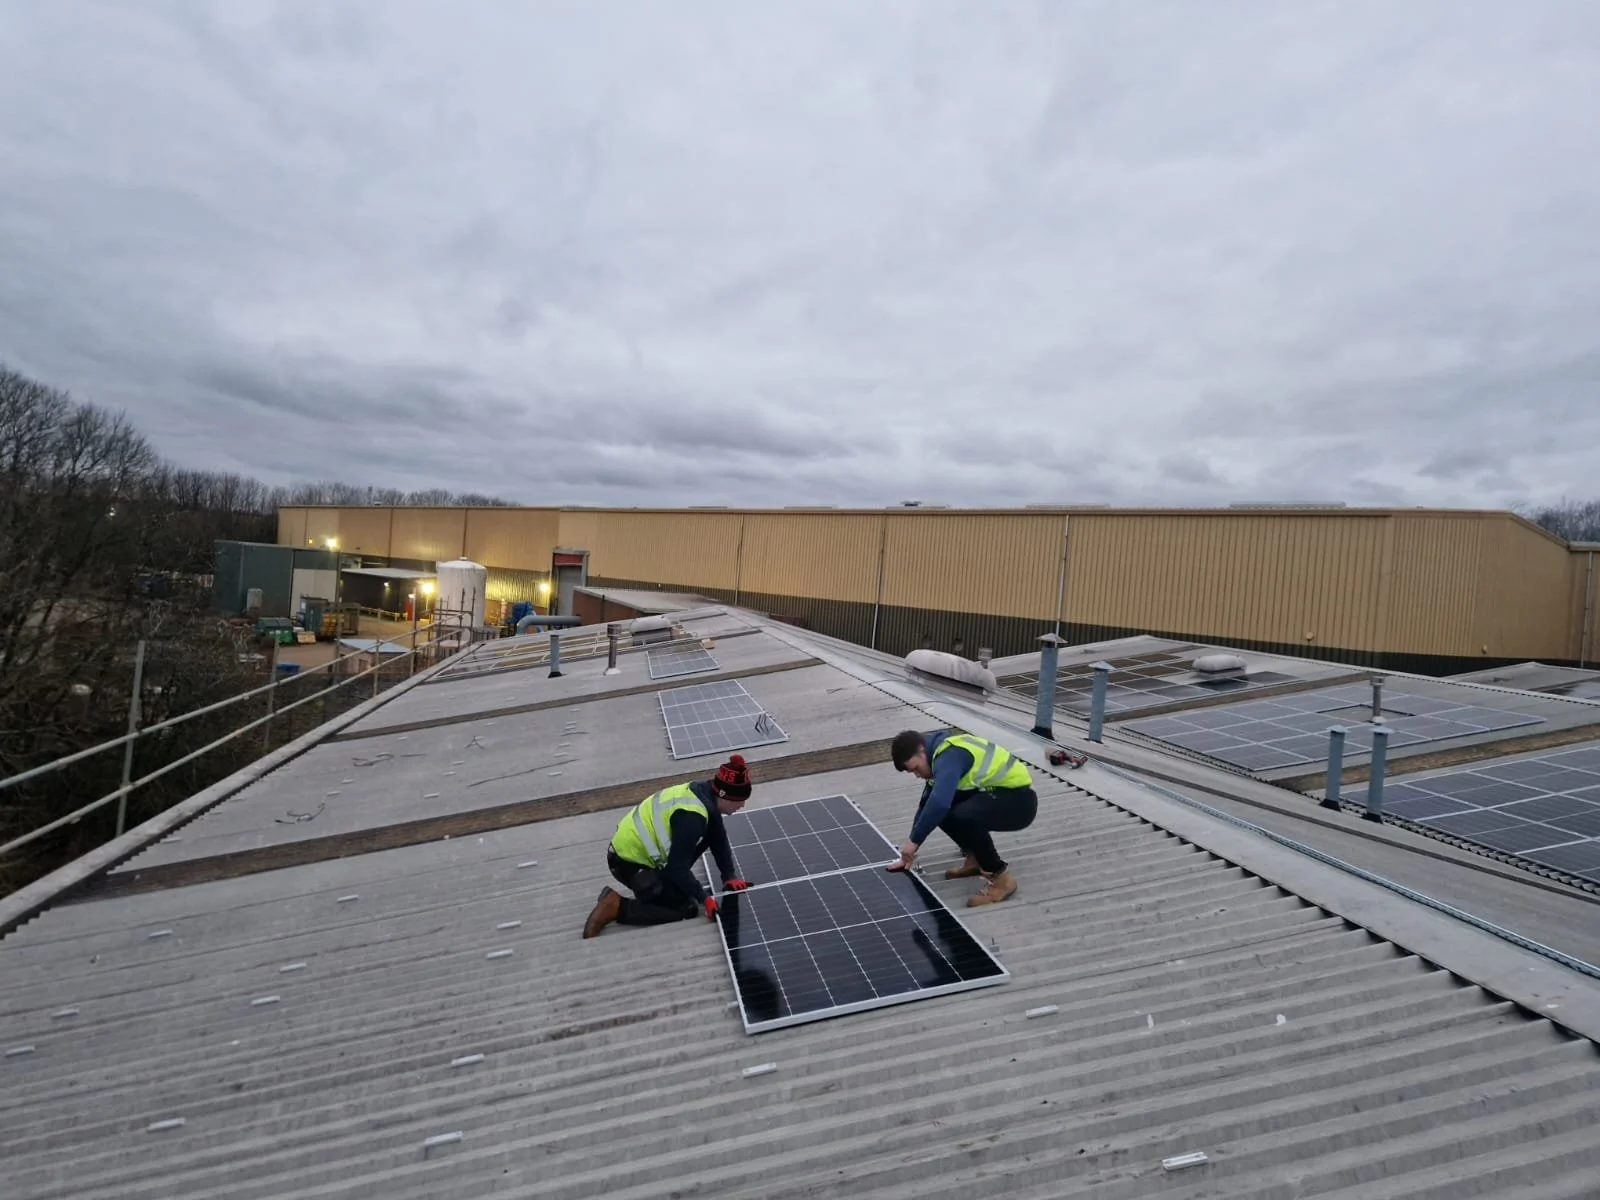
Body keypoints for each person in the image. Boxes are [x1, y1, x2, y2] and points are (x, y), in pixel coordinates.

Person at [582, 754, 754, 938]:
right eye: (740, 800)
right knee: (684, 908)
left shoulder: (705, 795)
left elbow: (718, 838)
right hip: (627, 862)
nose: (742, 805)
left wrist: (729, 876)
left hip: (642, 857)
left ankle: (661, 887)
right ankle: (617, 906)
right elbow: (677, 867)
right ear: (724, 796)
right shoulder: (693, 818)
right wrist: (704, 898)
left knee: (709, 834)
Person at [886, 729, 1037, 906]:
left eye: (916, 769)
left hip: (1019, 803)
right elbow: (927, 805)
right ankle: (975, 859)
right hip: (995, 795)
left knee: (961, 813)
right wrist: (909, 851)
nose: (918, 776)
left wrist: (912, 845)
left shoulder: (949, 756)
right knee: (940, 812)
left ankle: (1000, 877)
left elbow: (940, 803)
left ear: (921, 750)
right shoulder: (936, 755)